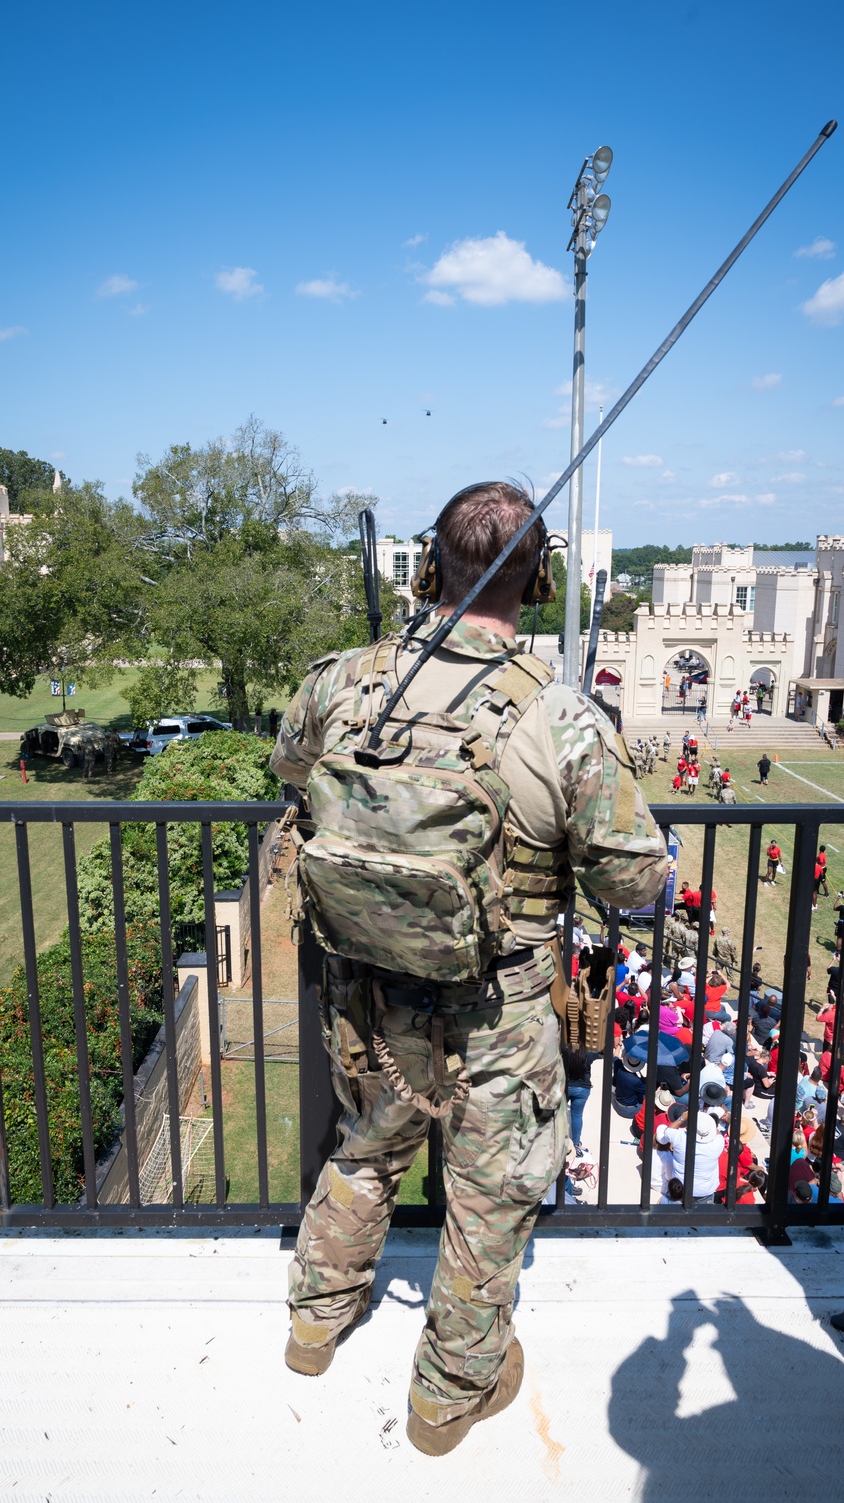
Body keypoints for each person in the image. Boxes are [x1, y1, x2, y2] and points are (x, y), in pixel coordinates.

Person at [270, 480, 667, 1455]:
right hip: (501, 1010)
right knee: (487, 1209)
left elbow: (295, 777)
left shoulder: (339, 680)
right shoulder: (562, 718)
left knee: (363, 1153)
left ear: (430, 564)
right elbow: (632, 882)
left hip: (366, 992)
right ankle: (445, 1402)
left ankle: (314, 1328)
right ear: (536, 581)